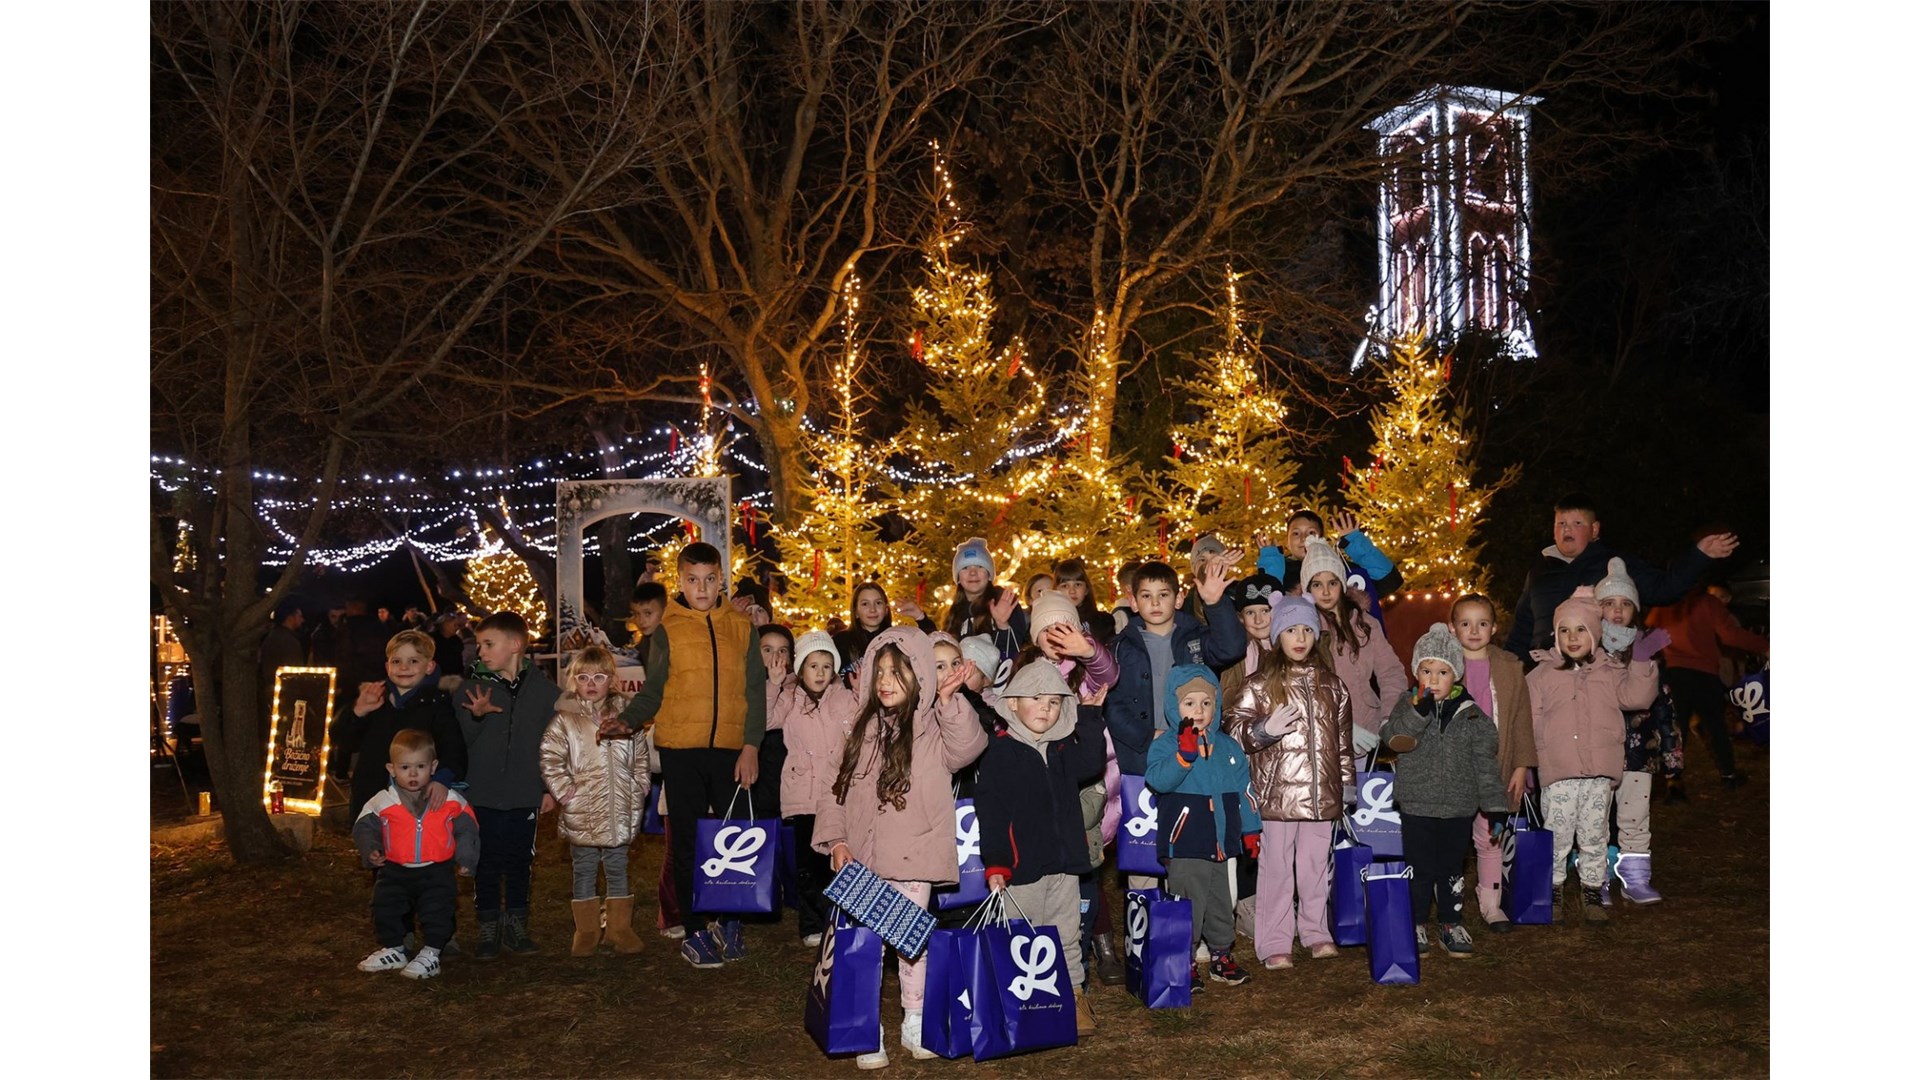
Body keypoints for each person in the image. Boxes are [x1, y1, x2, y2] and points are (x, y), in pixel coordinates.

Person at [816, 627, 987, 1068]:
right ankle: (864, 1026)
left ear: (921, 677)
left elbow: (968, 747)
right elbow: (834, 791)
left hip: (913, 859)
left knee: (911, 943)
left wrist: (949, 701)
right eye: (879, 673)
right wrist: (836, 839)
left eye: (898, 672)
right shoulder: (859, 729)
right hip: (862, 861)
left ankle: (915, 1019)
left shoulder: (933, 725)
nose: (886, 681)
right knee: (866, 945)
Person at [612, 542, 769, 969]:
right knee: (687, 841)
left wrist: (751, 745)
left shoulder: (740, 627)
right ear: (680, 581)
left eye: (710, 579)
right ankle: (696, 928)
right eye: (692, 580)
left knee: (732, 839)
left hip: (732, 752)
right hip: (681, 750)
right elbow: (654, 688)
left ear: (722, 579)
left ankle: (730, 918)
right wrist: (627, 721)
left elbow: (755, 690)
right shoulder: (668, 628)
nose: (702, 588)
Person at [977, 661, 1109, 1037]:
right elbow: (992, 813)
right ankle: (1014, 1003)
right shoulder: (999, 755)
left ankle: (1073, 994)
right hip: (1021, 870)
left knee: (1066, 933)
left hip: (1064, 864)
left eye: (1054, 702)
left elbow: (1092, 762)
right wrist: (997, 863)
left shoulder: (1063, 749)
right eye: (1036, 698)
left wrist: (1088, 717)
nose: (1045, 708)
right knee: (1019, 935)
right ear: (1013, 703)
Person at [1225, 595, 1353, 970]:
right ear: (1278, 634)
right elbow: (1232, 731)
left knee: (1316, 867)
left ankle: (1316, 931)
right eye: (1291, 629)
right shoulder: (1260, 684)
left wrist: (1347, 786)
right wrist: (1261, 730)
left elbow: (1342, 743)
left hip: (1321, 795)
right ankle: (1275, 940)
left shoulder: (1333, 686)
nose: (1300, 638)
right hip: (1276, 796)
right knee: (1277, 870)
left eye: (1307, 630)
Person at [1526, 590, 1658, 924]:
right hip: (1559, 773)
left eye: (1581, 629)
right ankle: (1552, 888)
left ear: (1595, 635)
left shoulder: (1610, 671)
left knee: (1595, 834)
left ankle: (1591, 889)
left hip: (1599, 773)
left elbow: (1638, 697)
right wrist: (1531, 761)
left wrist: (1641, 661)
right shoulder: (1541, 675)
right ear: (1555, 635)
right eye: (1565, 630)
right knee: (1556, 834)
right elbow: (1530, 720)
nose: (1573, 637)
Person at [1379, 625, 1507, 958]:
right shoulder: (1408, 705)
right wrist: (1418, 711)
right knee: (1419, 867)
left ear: (1457, 676)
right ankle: (1417, 922)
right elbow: (1395, 739)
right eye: (1426, 670)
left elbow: (1486, 765)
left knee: (1451, 868)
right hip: (1417, 804)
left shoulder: (1473, 715)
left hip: (1458, 807)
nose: (1433, 679)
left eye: (1442, 671)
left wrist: (1494, 807)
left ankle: (1451, 922)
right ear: (1416, 671)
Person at [1507, 494, 1740, 656]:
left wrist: (1698, 556)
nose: (1567, 529)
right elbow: (1522, 629)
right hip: (1547, 677)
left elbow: (1664, 588)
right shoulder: (1538, 571)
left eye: (1576, 522)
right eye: (1561, 523)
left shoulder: (1615, 563)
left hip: (1600, 673)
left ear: (1594, 529)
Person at [454, 611, 562, 958]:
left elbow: (553, 744)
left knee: (519, 862)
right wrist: (476, 716)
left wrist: (548, 787)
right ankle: (488, 925)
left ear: (515, 645)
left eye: (488, 644)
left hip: (524, 794)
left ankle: (517, 923)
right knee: (484, 860)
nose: (480, 651)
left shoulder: (546, 693)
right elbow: (459, 742)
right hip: (482, 793)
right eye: (479, 645)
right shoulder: (471, 690)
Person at [1146, 664, 1259, 987]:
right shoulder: (1166, 745)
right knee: (1188, 902)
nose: (1198, 710)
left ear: (1216, 706)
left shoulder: (1228, 747)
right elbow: (1157, 781)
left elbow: (1244, 791)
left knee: (1222, 901)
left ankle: (1221, 954)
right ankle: (1185, 958)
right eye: (1189, 703)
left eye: (1206, 703)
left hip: (1222, 841)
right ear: (1174, 706)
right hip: (1186, 841)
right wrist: (1183, 756)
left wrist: (1251, 829)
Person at [540, 646, 653, 958]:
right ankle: (587, 930)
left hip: (619, 805)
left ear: (611, 679)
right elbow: (551, 757)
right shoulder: (566, 720)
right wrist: (564, 791)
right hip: (583, 807)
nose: (591, 683)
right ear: (574, 680)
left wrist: (640, 782)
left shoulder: (626, 716)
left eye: (599, 677)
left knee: (618, 865)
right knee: (585, 866)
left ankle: (619, 928)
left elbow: (640, 753)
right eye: (584, 677)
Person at [353, 729, 479, 981]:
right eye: (405, 767)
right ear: (391, 769)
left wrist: (466, 859)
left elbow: (468, 827)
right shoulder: (382, 801)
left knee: (437, 911)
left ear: (433, 767)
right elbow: (364, 826)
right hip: (395, 869)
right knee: (384, 906)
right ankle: (394, 949)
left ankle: (432, 953)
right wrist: (372, 850)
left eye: (420, 766)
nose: (412, 774)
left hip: (436, 870)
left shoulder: (449, 800)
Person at [1105, 560, 1245, 782]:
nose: (1155, 603)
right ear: (1133, 601)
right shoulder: (1120, 647)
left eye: (1163, 595)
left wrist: (1214, 603)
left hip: (1194, 752)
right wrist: (1147, 736)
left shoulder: (1195, 638)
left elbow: (1231, 648)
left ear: (1178, 599)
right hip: (1141, 757)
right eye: (1146, 596)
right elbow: (1112, 704)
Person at [1447, 594, 1537, 933]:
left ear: (1495, 628)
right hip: (1454, 770)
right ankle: (1449, 904)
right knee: (1453, 840)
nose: (1474, 630)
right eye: (1465, 623)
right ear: (1452, 628)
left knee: (1490, 837)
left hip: (1496, 767)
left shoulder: (1510, 668)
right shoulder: (1443, 666)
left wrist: (1521, 765)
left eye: (1482, 623)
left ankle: (1491, 903)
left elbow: (1522, 721)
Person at [1593, 561, 1678, 903]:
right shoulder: (1587, 646)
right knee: (1595, 817)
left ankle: (1635, 877)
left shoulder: (1647, 647)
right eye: (1609, 603)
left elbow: (1663, 703)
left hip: (1639, 749)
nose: (1617, 611)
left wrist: (1672, 750)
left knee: (1634, 816)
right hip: (1597, 749)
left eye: (1625, 604)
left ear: (1635, 611)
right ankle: (1594, 878)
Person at [1645, 578, 1769, 790]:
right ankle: (1728, 774)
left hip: (1675, 673)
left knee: (1676, 727)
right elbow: (1730, 635)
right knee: (1716, 727)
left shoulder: (1665, 602)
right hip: (1705, 674)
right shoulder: (1708, 603)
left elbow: (1650, 630)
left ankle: (1671, 777)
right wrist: (1764, 646)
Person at [330, 630, 467, 821]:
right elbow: (343, 741)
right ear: (387, 666)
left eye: (413, 661)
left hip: (417, 802)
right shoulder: (375, 698)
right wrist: (358, 711)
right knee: (373, 848)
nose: (404, 667)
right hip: (372, 799)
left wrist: (442, 779)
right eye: (396, 661)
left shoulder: (437, 705)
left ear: (429, 666)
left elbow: (452, 746)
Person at [775, 631, 859, 946]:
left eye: (827, 665)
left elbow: (862, 726)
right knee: (808, 866)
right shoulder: (789, 698)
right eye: (813, 666)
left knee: (839, 860)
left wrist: (860, 691)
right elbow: (767, 719)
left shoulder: (844, 697)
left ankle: (842, 920)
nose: (820, 673)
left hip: (838, 794)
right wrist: (773, 684)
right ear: (801, 668)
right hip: (803, 795)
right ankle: (812, 924)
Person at [1299, 536, 1407, 760]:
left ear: (1342, 583)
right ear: (1307, 588)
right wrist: (1341, 727)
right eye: (1317, 584)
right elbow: (1302, 688)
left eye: (1333, 582)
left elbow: (1391, 672)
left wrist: (1388, 716)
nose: (1326, 591)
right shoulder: (1302, 629)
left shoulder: (1365, 624)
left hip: (1369, 733)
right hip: (1322, 741)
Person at [1256, 509, 1404, 597]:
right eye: (1295, 534)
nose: (1303, 538)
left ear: (1321, 538)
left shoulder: (1340, 569)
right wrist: (1271, 564)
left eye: (1311, 533)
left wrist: (1356, 543)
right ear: (1287, 541)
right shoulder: (1282, 572)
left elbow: (1389, 581)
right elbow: (1265, 604)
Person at [938, 537, 1030, 670]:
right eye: (965, 568)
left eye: (980, 566)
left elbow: (1016, 652)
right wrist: (921, 619)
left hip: (1001, 681)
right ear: (958, 577)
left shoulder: (1004, 601)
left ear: (989, 574)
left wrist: (1002, 625)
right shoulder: (955, 612)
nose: (973, 573)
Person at [831, 582, 894, 678]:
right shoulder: (840, 641)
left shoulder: (896, 639)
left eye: (878, 603)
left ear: (886, 609)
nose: (872, 609)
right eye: (865, 604)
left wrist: (920, 618)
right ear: (855, 611)